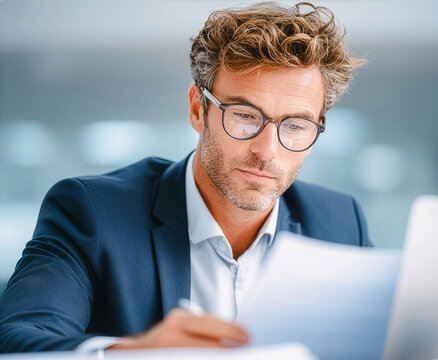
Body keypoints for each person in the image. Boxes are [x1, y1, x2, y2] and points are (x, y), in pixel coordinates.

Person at [0, 1, 370, 353]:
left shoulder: (340, 223)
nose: (267, 150)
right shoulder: (93, 212)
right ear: (198, 109)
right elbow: (18, 337)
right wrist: (134, 354)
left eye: (295, 125)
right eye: (244, 115)